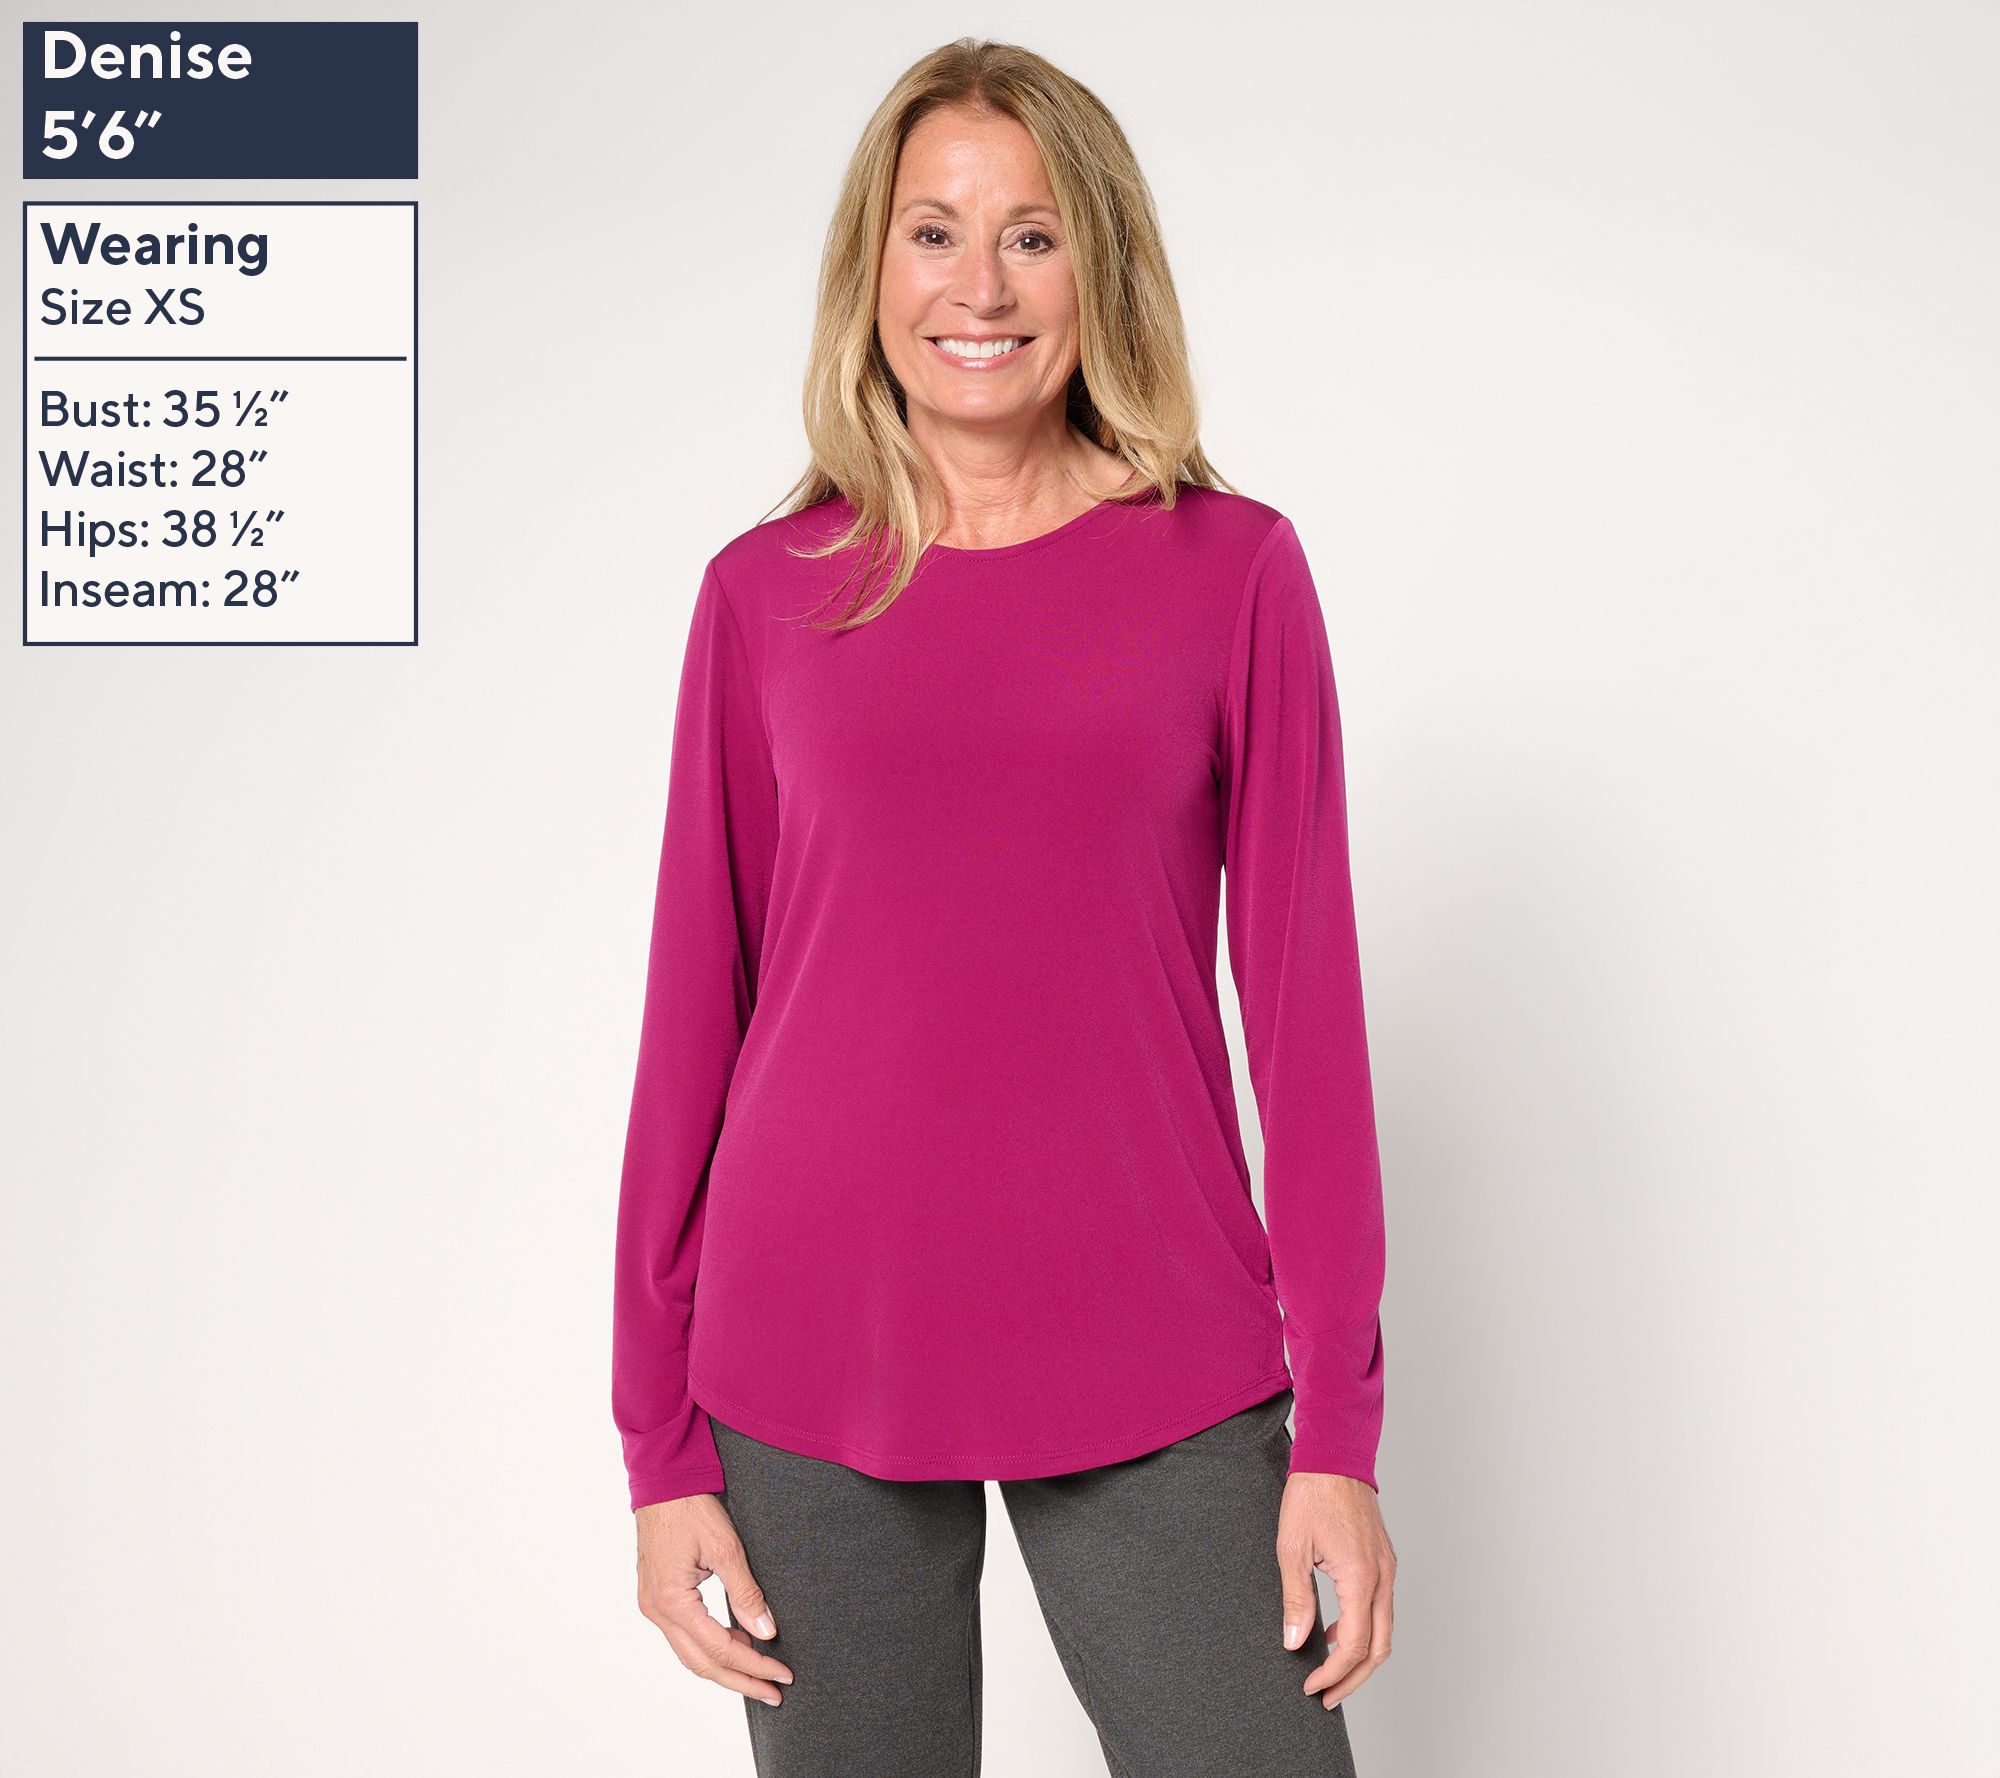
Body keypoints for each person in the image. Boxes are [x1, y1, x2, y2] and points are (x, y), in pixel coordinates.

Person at [612, 36, 1397, 1777]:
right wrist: (656, 1440)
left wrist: (1338, 1427)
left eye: (1032, 236)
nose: (980, 287)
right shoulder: (763, 597)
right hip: (810, 1355)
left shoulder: (1231, 571)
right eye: (935, 233)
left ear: (1099, 267)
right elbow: (692, 1018)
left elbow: (1309, 1020)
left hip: (1158, 1339)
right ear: (872, 270)